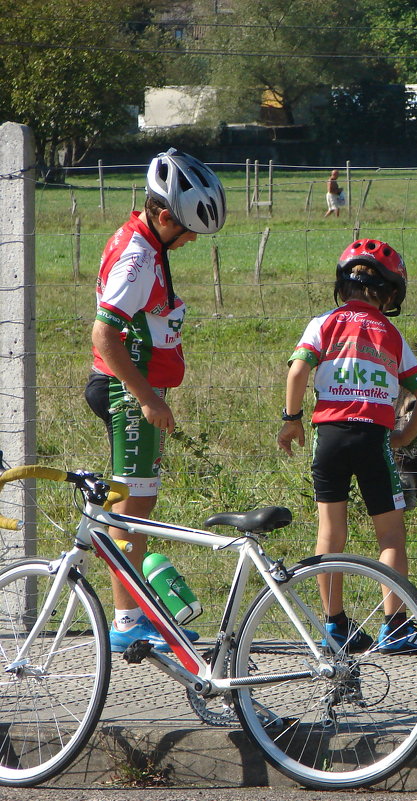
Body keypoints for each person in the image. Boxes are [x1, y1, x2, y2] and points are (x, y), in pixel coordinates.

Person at [85, 148, 226, 653]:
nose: (190, 241)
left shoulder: (146, 242)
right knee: (130, 511)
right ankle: (127, 622)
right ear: (164, 215)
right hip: (128, 391)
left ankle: (135, 613)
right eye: (188, 230)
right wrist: (147, 399)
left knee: (136, 508)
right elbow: (104, 335)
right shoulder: (139, 257)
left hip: (136, 388)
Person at [277, 239, 417, 654]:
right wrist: (403, 436)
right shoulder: (392, 335)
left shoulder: (323, 323)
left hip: (328, 438)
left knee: (330, 533)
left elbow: (297, 373)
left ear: (341, 286)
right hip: (372, 439)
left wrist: (292, 421)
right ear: (388, 294)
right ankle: (395, 626)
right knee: (390, 536)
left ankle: (334, 626)